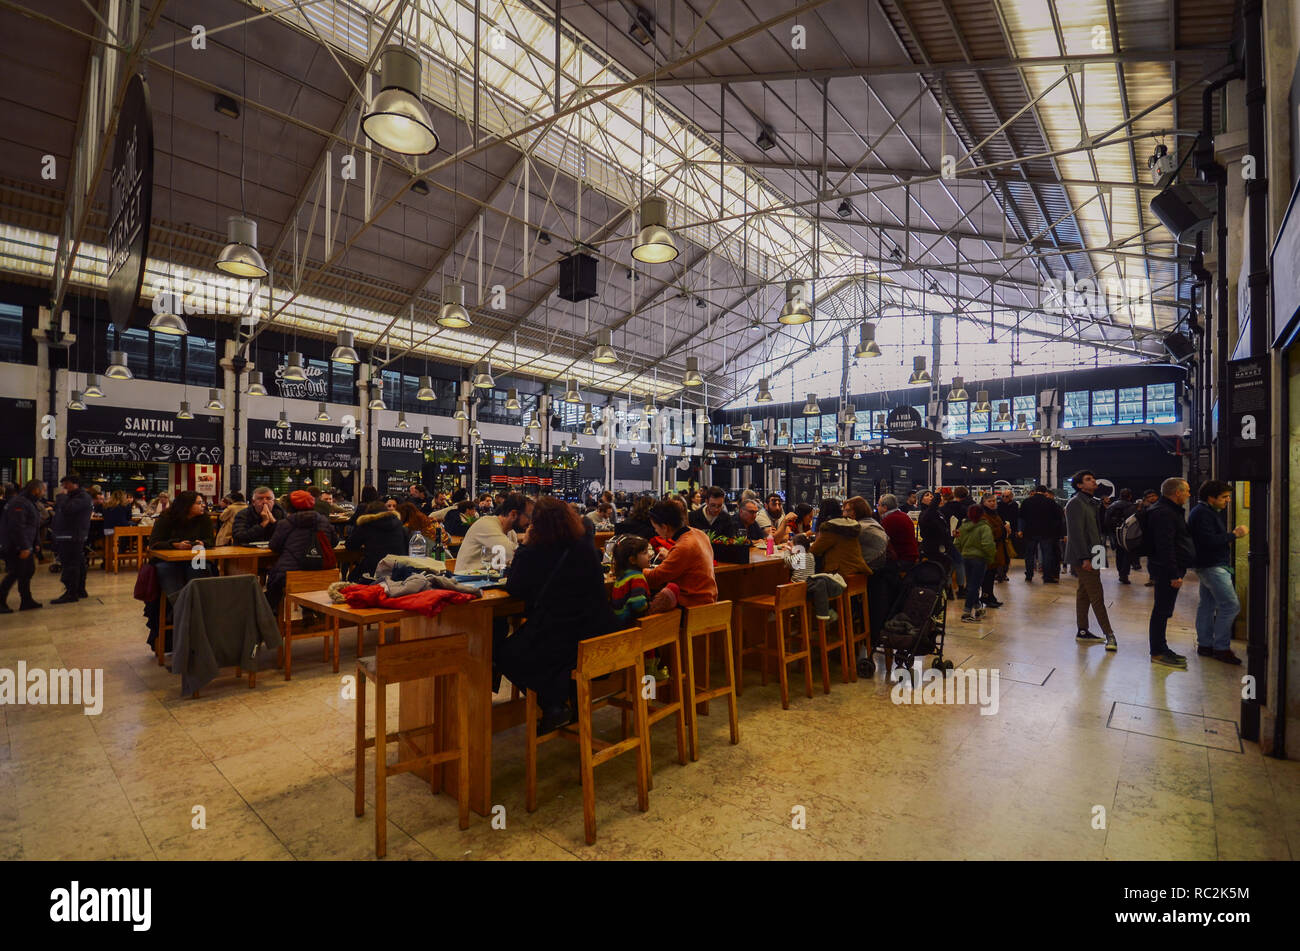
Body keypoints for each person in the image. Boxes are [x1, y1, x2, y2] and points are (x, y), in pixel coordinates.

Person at [499, 496, 619, 733]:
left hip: (562, 640)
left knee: (502, 653)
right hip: (598, 635)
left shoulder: (536, 551)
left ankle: (552, 704)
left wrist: (524, 545)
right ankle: (563, 699)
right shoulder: (585, 546)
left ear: (537, 524)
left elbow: (514, 587)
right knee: (534, 647)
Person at [145, 491, 216, 650]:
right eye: (198, 503)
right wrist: (175, 544)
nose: (202, 505)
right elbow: (154, 543)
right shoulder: (166, 518)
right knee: (166, 570)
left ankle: (197, 607)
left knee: (199, 568)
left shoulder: (204, 519)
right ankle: (181, 608)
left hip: (195, 557)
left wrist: (201, 543)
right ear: (187, 506)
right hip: (168, 561)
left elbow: (211, 541)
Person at [1187, 480, 1247, 664]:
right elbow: (1209, 541)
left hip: (1207, 564)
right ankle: (1221, 648)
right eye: (1224, 497)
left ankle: (1205, 644)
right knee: (1230, 605)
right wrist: (1234, 535)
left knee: (1207, 604)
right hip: (1212, 566)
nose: (1228, 500)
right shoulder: (1204, 514)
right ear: (1211, 498)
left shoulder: (1204, 512)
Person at [1063, 470, 1117, 650]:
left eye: (1093, 478)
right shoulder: (1075, 503)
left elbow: (1098, 529)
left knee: (1084, 592)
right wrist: (1084, 557)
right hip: (1085, 554)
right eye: (1088, 479)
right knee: (1096, 594)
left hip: (1097, 550)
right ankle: (1109, 634)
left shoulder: (1093, 503)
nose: (1093, 481)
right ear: (1079, 485)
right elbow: (1076, 534)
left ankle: (1083, 630)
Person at [1146, 477, 1195, 669]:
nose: (1189, 494)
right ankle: (1158, 651)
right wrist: (1174, 573)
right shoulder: (1164, 513)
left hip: (1167, 568)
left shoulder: (1166, 510)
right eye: (1187, 490)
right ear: (1177, 492)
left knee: (1163, 610)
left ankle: (1162, 647)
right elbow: (1165, 546)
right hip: (1166, 570)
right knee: (1161, 610)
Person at [263, 490, 337, 617]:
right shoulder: (324, 521)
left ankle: (271, 616)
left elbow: (274, 546)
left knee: (274, 581)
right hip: (322, 574)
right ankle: (310, 607)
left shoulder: (286, 523)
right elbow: (334, 542)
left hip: (292, 576)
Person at [644, 499, 717, 607]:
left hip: (691, 606)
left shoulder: (684, 546)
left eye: (655, 527)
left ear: (664, 527)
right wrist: (670, 555)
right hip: (708, 602)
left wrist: (635, 568)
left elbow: (654, 578)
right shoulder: (699, 534)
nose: (656, 531)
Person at [0, 479, 45, 612]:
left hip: (26, 544)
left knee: (27, 571)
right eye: (43, 490)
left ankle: (26, 600)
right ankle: (1, 600)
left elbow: (33, 525)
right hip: (16, 545)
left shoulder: (29, 502)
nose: (43, 492)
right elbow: (17, 527)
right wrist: (24, 546)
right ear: (36, 490)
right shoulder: (19, 502)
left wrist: (36, 543)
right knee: (15, 572)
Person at [457, 492, 532, 570]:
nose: (531, 522)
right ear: (513, 514)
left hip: (487, 580)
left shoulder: (510, 532)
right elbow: (517, 556)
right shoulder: (486, 524)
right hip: (466, 580)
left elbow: (515, 563)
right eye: (529, 516)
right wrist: (527, 540)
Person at [50, 473, 92, 603]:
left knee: (70, 564)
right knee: (77, 562)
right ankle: (79, 590)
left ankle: (71, 593)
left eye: (66, 484)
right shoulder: (75, 496)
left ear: (75, 484)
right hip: (70, 534)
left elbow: (68, 509)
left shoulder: (82, 497)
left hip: (73, 535)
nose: (64, 487)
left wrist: (61, 497)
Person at [346, 499, 409, 582]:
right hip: (398, 569)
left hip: (373, 570)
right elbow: (406, 545)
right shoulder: (398, 524)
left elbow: (350, 545)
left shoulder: (367, 525)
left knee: (352, 578)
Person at [809, 498, 869, 576]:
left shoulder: (831, 528)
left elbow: (814, 550)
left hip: (839, 572)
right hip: (857, 569)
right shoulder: (850, 526)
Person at [1019, 485, 1064, 583]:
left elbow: (1021, 517)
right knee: (1047, 555)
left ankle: (1029, 575)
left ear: (1035, 491)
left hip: (1030, 532)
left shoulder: (1027, 501)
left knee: (1030, 555)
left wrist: (1021, 530)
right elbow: (1057, 518)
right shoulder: (1050, 502)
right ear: (1045, 492)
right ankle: (1047, 576)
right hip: (1046, 532)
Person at [956, 505, 994, 623]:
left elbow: (957, 543)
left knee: (972, 584)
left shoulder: (963, 527)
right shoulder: (984, 527)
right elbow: (988, 544)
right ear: (982, 514)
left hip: (966, 558)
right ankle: (966, 612)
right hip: (979, 559)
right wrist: (990, 557)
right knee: (974, 586)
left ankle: (978, 608)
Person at [977, 494, 1009, 609]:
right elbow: (987, 531)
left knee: (991, 574)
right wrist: (1003, 529)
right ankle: (986, 596)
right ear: (984, 502)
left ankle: (990, 596)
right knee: (987, 575)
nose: (993, 503)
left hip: (996, 548)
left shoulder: (994, 514)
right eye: (989, 501)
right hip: (988, 549)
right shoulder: (983, 515)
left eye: (994, 501)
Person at [1104, 488, 1140, 584]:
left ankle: (1121, 573)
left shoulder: (1112, 506)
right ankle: (1124, 575)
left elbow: (1106, 521)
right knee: (1127, 555)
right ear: (1130, 496)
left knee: (1119, 554)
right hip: (1127, 535)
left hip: (1115, 534)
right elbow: (1134, 521)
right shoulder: (1131, 506)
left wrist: (1110, 533)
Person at [940, 486, 971, 594]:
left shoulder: (942, 510)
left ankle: (948, 590)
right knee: (959, 562)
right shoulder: (963, 508)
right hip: (961, 538)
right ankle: (961, 587)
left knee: (949, 564)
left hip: (947, 539)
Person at [845, 496, 888, 569]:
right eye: (844, 511)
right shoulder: (872, 522)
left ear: (857, 511)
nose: (844, 514)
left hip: (870, 570)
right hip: (880, 568)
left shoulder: (860, 528)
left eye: (848, 511)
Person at [877, 494, 918, 566]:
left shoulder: (889, 520)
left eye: (878, 505)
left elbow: (882, 542)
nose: (877, 508)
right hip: (912, 557)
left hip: (903, 559)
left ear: (885, 507)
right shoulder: (904, 515)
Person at [917, 490, 954, 568]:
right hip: (932, 550)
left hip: (943, 547)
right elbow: (931, 511)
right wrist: (937, 495)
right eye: (927, 495)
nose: (931, 496)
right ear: (921, 501)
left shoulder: (938, 512)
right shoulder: (924, 514)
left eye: (931, 495)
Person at [994, 489, 1019, 581]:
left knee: (1007, 553)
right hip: (1000, 531)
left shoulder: (1014, 505)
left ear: (1011, 497)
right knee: (999, 553)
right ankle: (999, 573)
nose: (1004, 498)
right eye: (1003, 496)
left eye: (1006, 496)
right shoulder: (999, 505)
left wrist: (1015, 530)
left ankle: (1003, 572)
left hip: (1009, 532)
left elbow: (1015, 519)